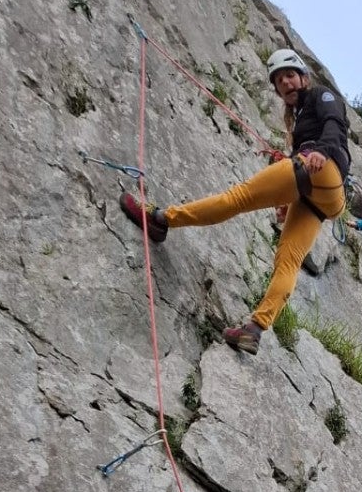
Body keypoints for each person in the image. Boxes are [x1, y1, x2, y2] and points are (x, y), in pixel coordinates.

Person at [119, 48, 350, 355]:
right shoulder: (297, 119)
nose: (286, 84)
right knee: (288, 259)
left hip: (322, 168)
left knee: (237, 198)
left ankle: (162, 219)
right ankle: (254, 330)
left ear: (304, 77)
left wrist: (322, 150)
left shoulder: (321, 95)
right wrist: (288, 197)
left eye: (290, 76)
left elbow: (336, 122)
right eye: (280, 81)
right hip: (322, 197)